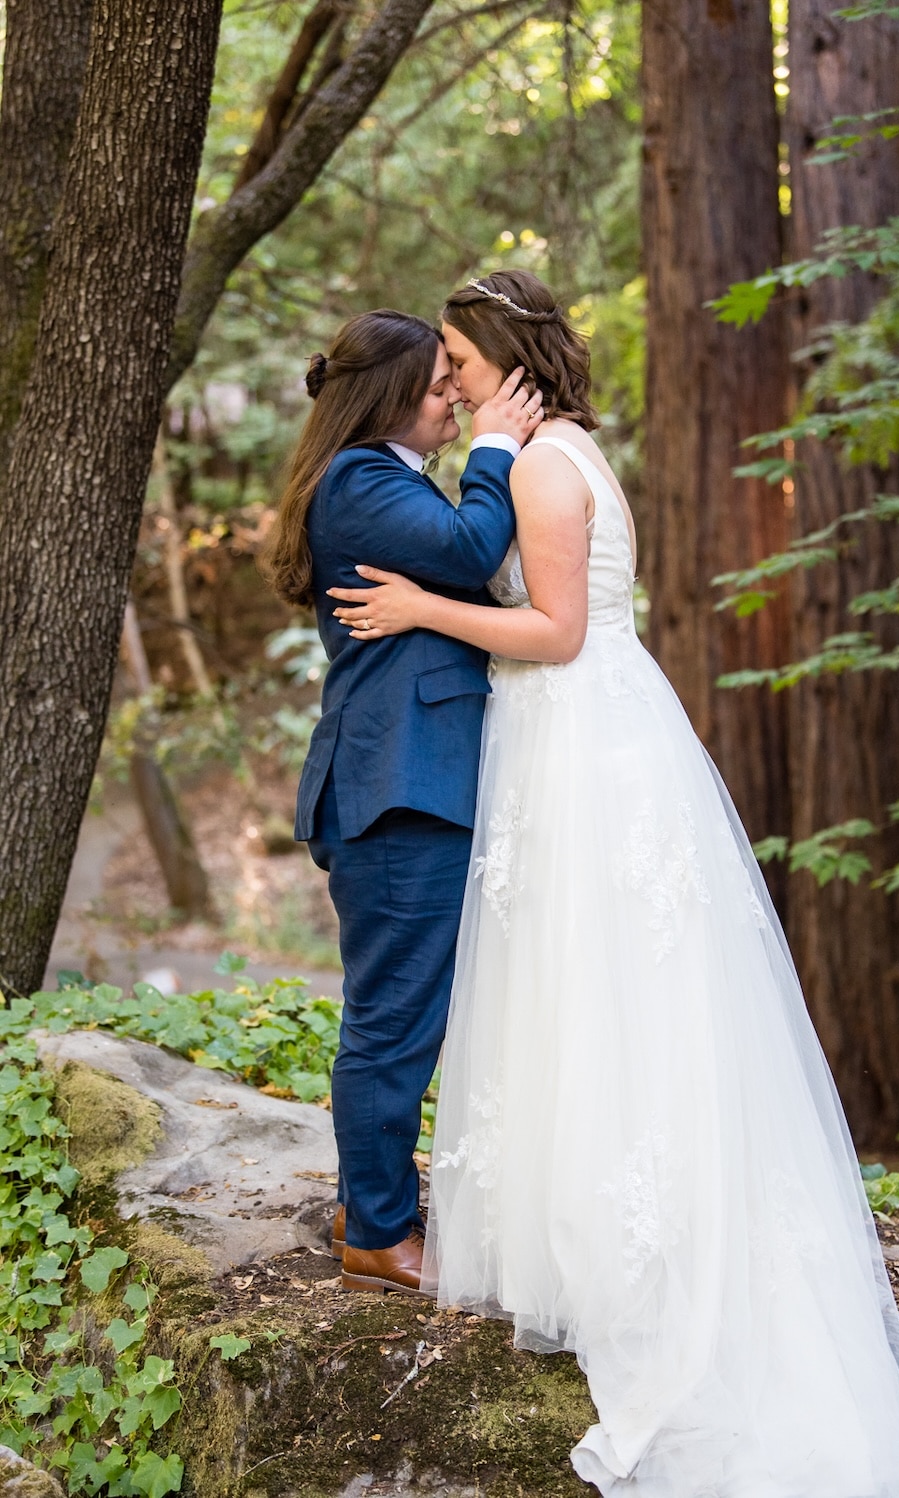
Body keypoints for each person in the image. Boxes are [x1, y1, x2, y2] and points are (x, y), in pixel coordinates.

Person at [327, 272, 899, 1496]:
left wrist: (421, 607)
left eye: (455, 355)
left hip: (575, 737)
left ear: (507, 357)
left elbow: (556, 630)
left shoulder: (548, 467)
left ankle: (631, 1249)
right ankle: (571, 1220)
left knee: (599, 982)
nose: (444, 377)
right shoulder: (554, 451)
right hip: (567, 735)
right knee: (584, 983)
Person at [261, 307, 542, 1295]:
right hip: (396, 788)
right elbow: (469, 551)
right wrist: (502, 448)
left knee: (404, 1010)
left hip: (414, 779)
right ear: (385, 394)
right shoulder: (359, 480)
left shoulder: (378, 478)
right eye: (437, 389)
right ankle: (377, 1234)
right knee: (393, 1021)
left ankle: (365, 1200)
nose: (454, 405)